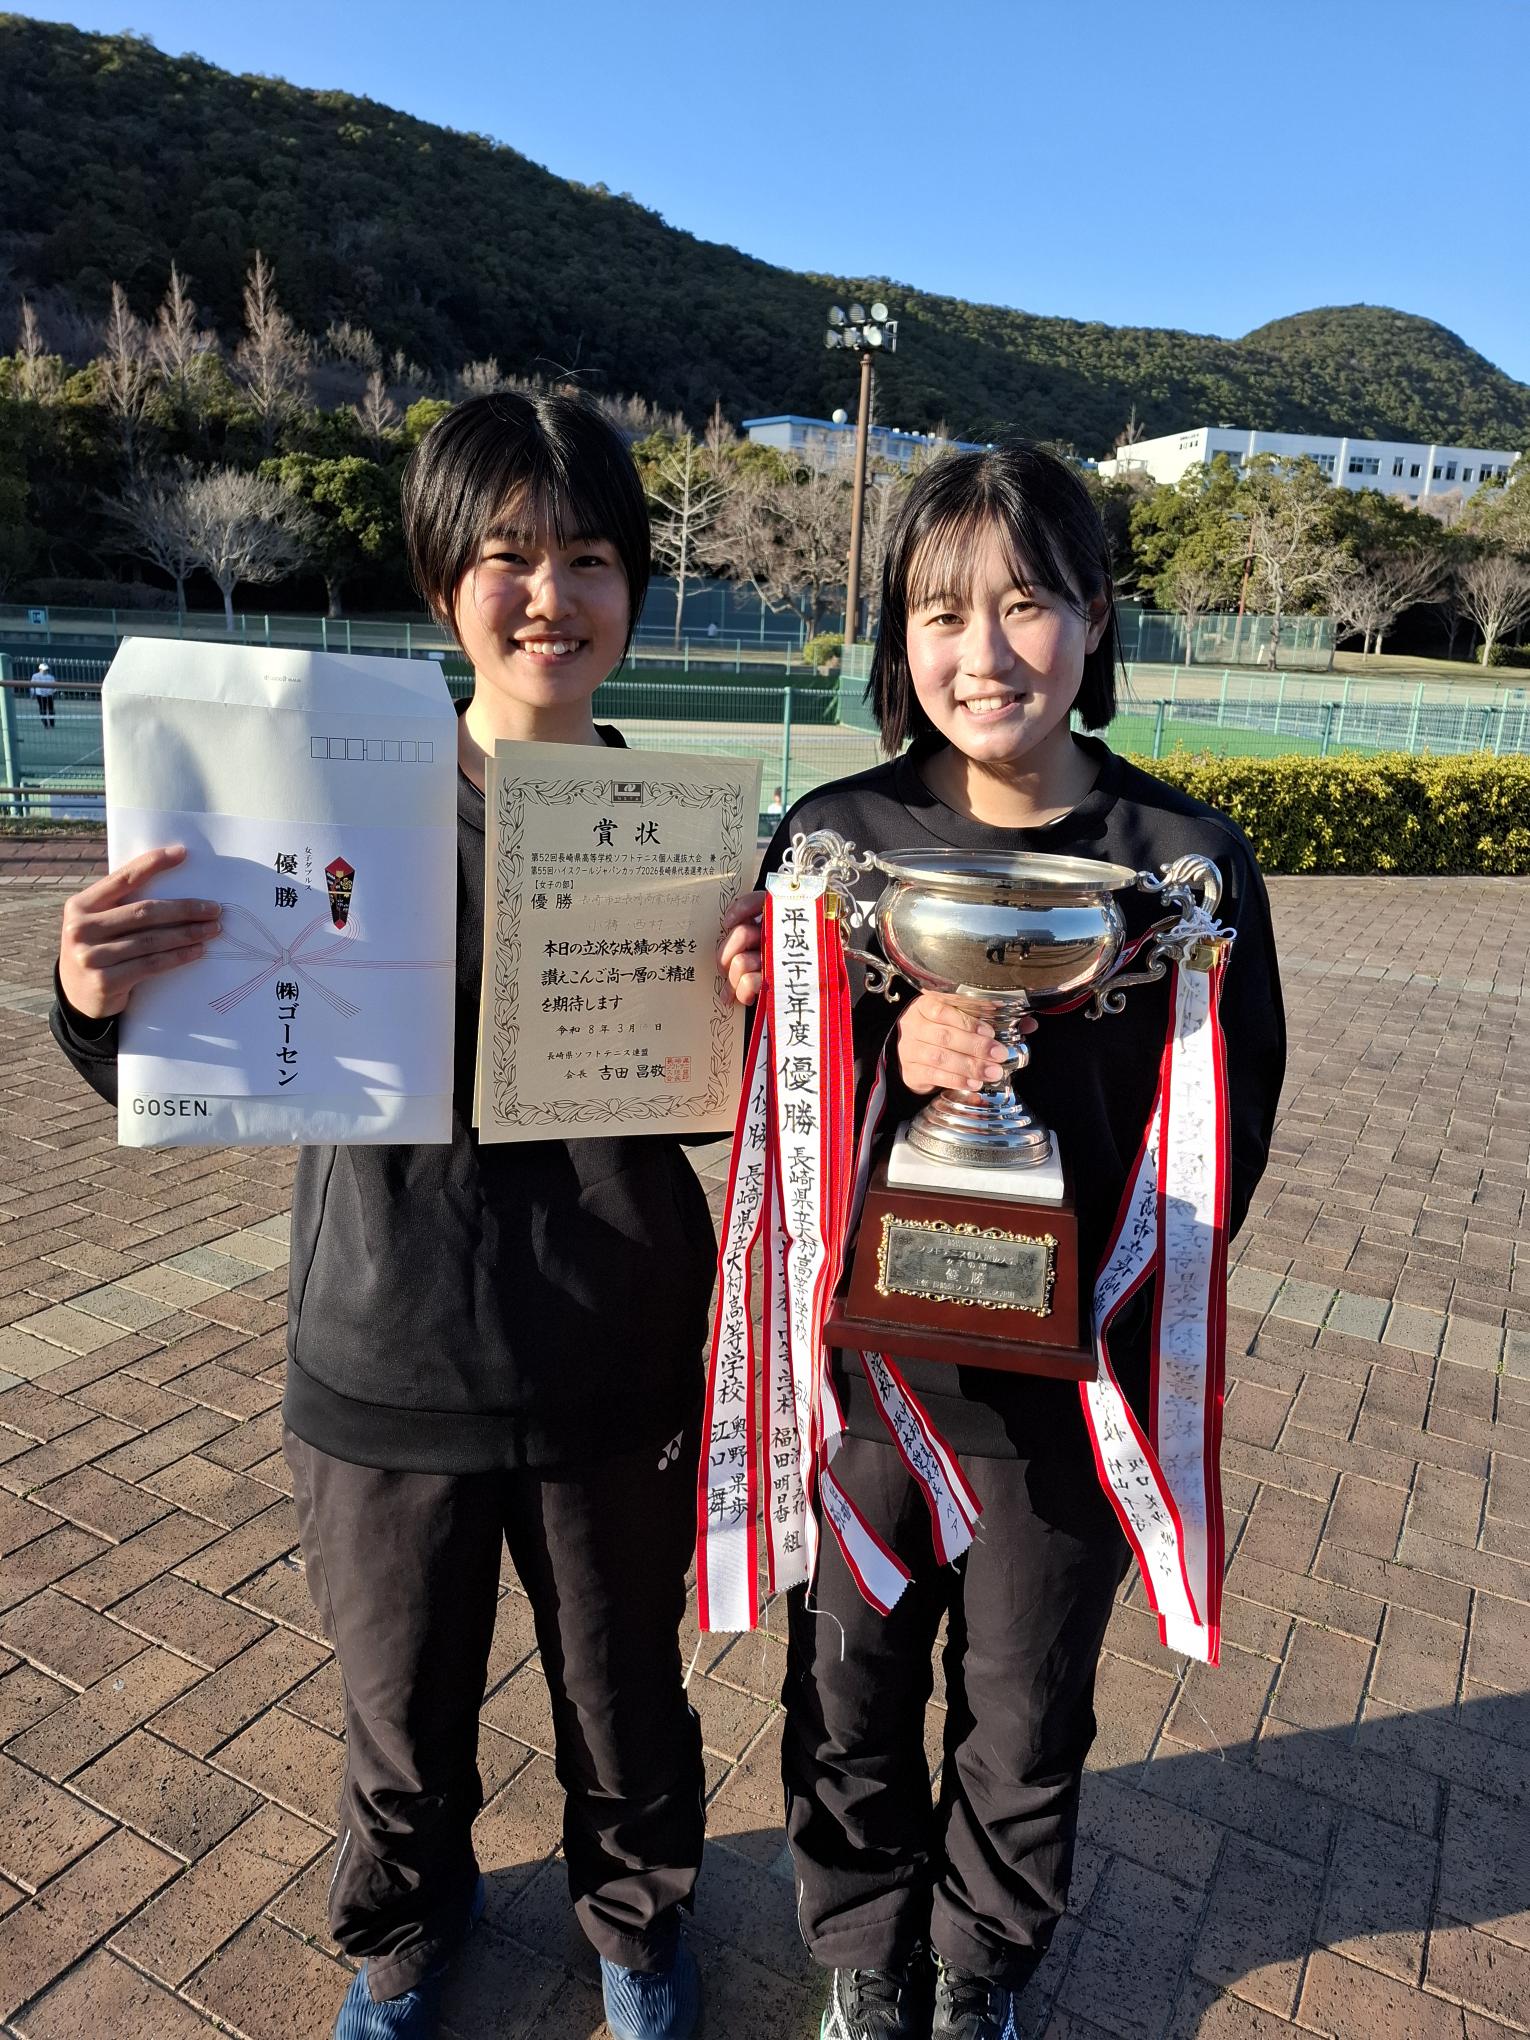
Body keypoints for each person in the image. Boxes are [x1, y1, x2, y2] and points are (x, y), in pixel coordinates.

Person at [49, 393, 717, 2040]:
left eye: (588, 558)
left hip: (617, 1348)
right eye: (507, 557)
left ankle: (637, 1930)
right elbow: (203, 1040)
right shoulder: (329, 810)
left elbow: (741, 1086)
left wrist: (769, 1004)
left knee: (625, 1696)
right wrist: (96, 1000)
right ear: (440, 586)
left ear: (635, 589)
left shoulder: (691, 835)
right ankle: (405, 1937)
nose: (549, 595)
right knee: (397, 1715)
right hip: (386, 1340)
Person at [716, 445, 1285, 2040]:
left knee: (1026, 1706)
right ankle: (858, 1947)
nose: (982, 652)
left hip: (1066, 1387)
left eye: (1025, 604)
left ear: (1095, 617)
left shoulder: (1177, 861)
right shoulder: (834, 842)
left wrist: (1103, 1289)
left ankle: (979, 1965)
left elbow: (1225, 1123)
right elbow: (766, 1111)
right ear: (896, 635)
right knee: (847, 1682)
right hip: (868, 1374)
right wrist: (883, 1060)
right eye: (939, 611)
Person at [30, 659, 56, 730]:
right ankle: (45, 724)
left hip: (49, 695)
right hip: (40, 695)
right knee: (42, 709)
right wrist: (32, 694)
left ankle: (52, 724)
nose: (45, 671)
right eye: (44, 670)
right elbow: (32, 686)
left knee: (51, 709)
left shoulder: (51, 677)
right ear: (40, 669)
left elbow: (54, 687)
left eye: (46, 670)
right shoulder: (35, 676)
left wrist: (51, 692)